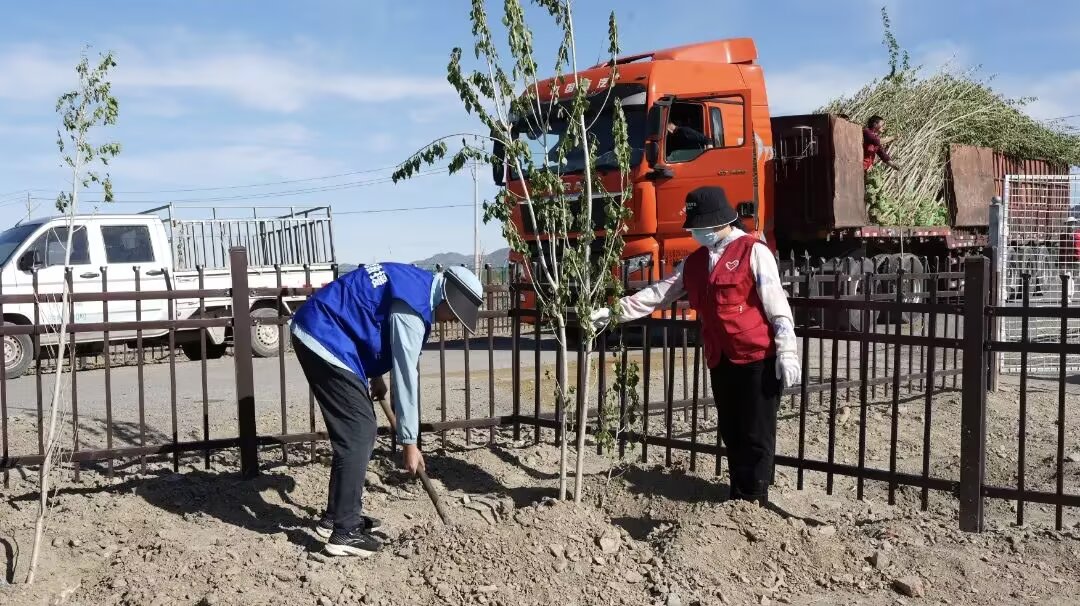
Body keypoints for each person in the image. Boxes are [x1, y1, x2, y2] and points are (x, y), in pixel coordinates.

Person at [590, 186, 800, 506]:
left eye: (701, 226)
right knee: (732, 431)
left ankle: (754, 501)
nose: (697, 233)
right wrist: (613, 313)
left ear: (721, 222)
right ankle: (737, 496)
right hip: (721, 359)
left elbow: (777, 306)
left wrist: (787, 351)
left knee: (756, 435)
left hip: (757, 358)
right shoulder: (695, 262)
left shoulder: (754, 252)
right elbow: (658, 294)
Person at [289, 262, 484, 557]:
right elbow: (406, 377)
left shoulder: (414, 285)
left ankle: (336, 518)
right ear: (447, 298)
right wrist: (409, 443)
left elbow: (371, 319)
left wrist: (376, 375)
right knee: (359, 431)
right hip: (324, 334)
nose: (451, 321)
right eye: (454, 314)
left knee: (354, 433)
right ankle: (345, 532)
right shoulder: (413, 310)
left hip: (325, 329)